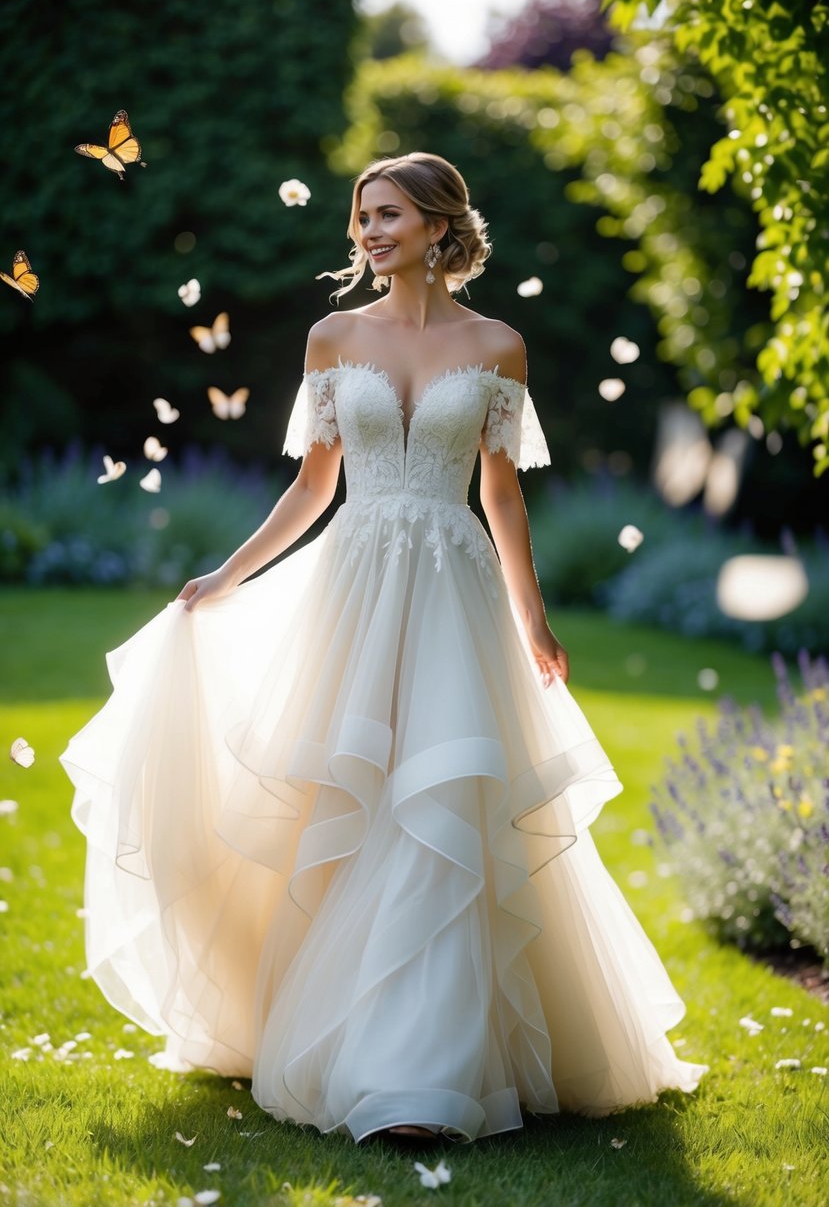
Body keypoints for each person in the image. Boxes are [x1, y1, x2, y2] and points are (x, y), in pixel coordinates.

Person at [61, 152, 707, 1145]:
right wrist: (225, 576)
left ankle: (424, 1071)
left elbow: (501, 492)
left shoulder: (498, 345)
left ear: (439, 226)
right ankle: (346, 1033)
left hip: (452, 588)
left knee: (439, 798)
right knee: (347, 800)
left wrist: (533, 618)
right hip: (351, 582)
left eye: (388, 214)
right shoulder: (332, 337)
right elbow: (314, 488)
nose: (368, 231)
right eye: (362, 215)